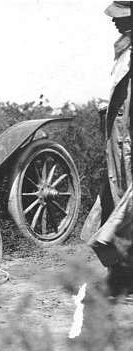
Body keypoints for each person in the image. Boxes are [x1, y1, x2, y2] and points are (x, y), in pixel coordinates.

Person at [81, 1, 133, 296]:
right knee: (115, 204)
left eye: (123, 17)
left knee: (127, 210)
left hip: (128, 141)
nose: (115, 22)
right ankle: (121, 273)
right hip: (118, 141)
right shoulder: (123, 50)